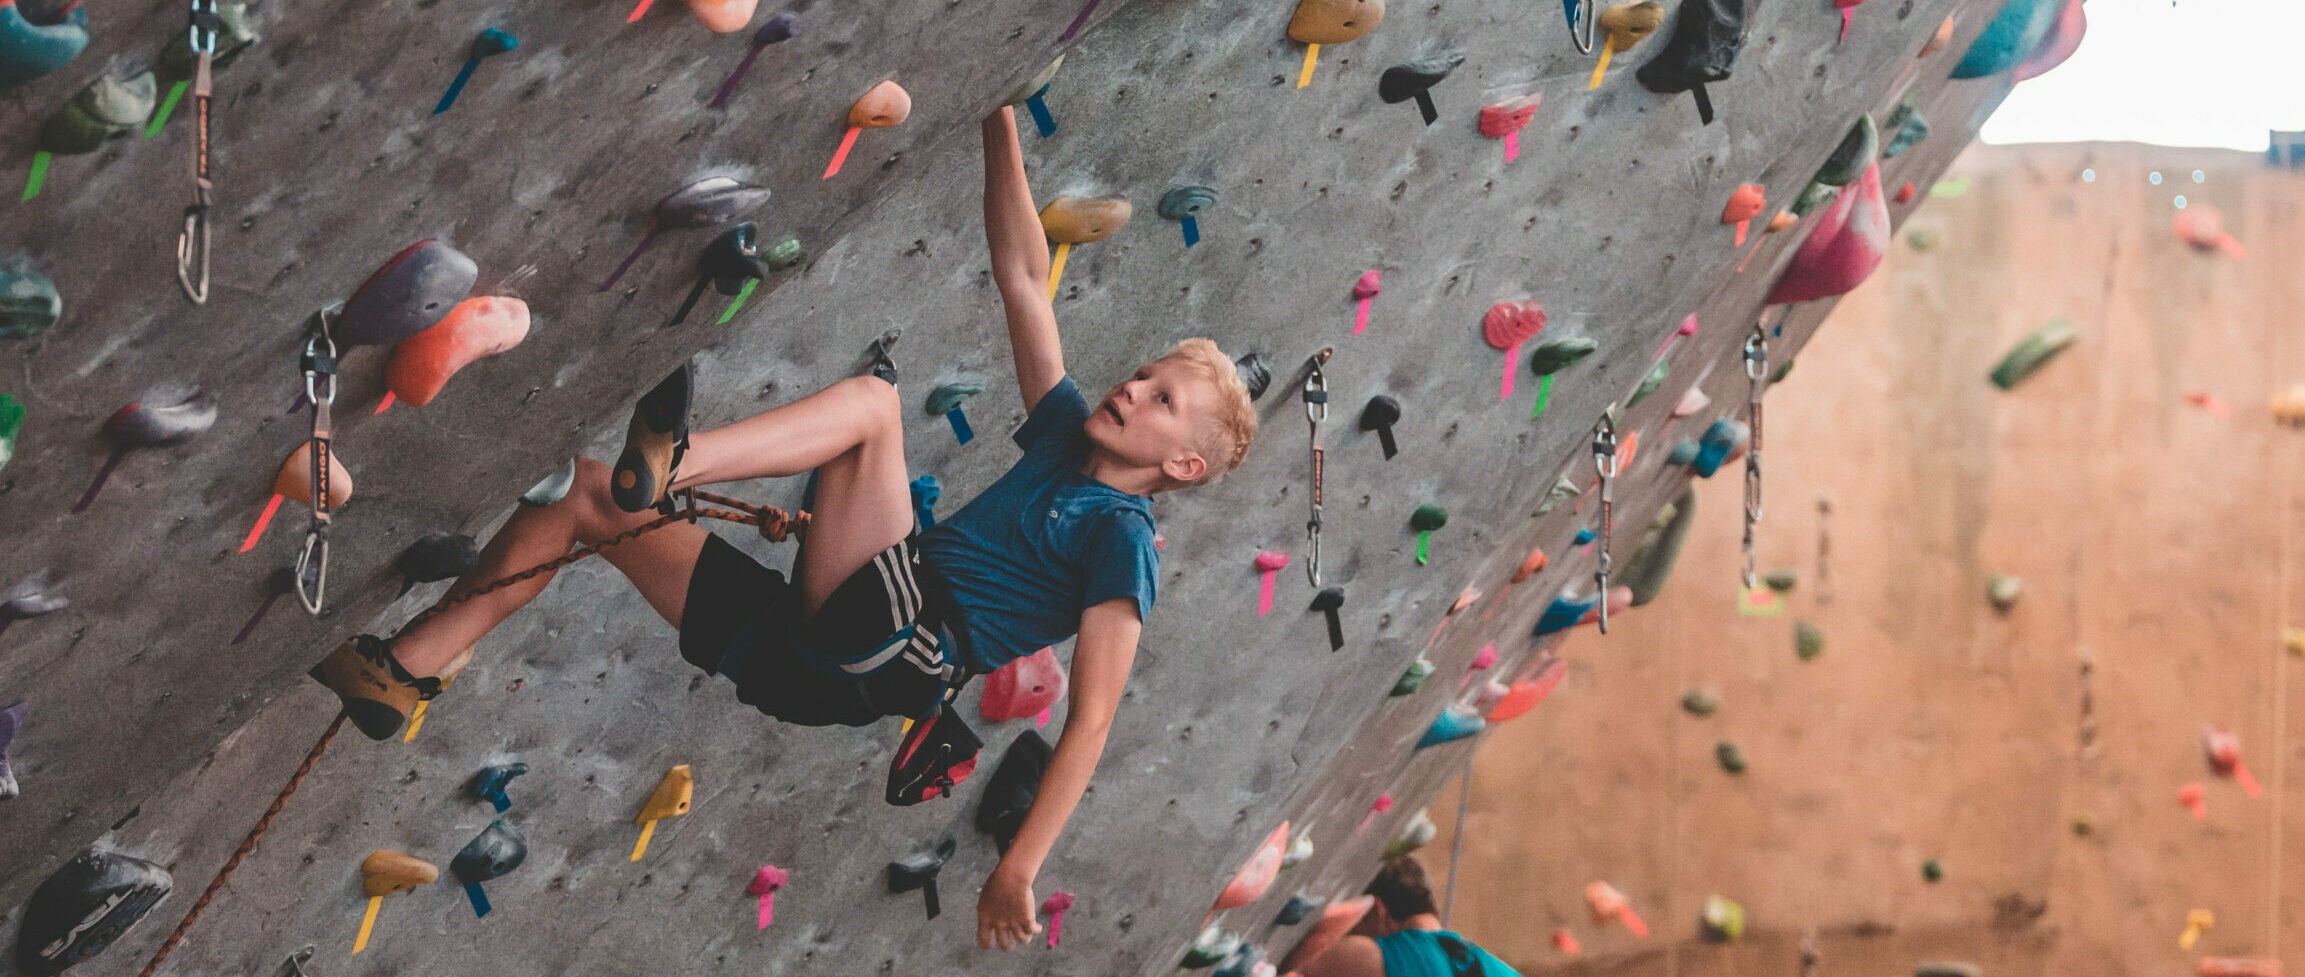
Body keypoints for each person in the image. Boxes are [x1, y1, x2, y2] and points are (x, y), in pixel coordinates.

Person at [305, 105, 1259, 950]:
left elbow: (1090, 720)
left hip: (902, 645)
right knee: (586, 500)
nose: (1132, 386)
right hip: (818, 667)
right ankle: (403, 669)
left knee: (873, 408)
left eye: (1161, 397)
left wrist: (1017, 866)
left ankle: (673, 463)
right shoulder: (1062, 439)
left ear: (1179, 464)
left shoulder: (1120, 537)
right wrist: (997, 114)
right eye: (1142, 372)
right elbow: (1019, 271)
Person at [1286, 856, 1522, 977]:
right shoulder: (1480, 962)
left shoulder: (1397, 957)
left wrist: (1335, 925)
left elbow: (1291, 967)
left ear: (1375, 910)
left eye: (1353, 929)